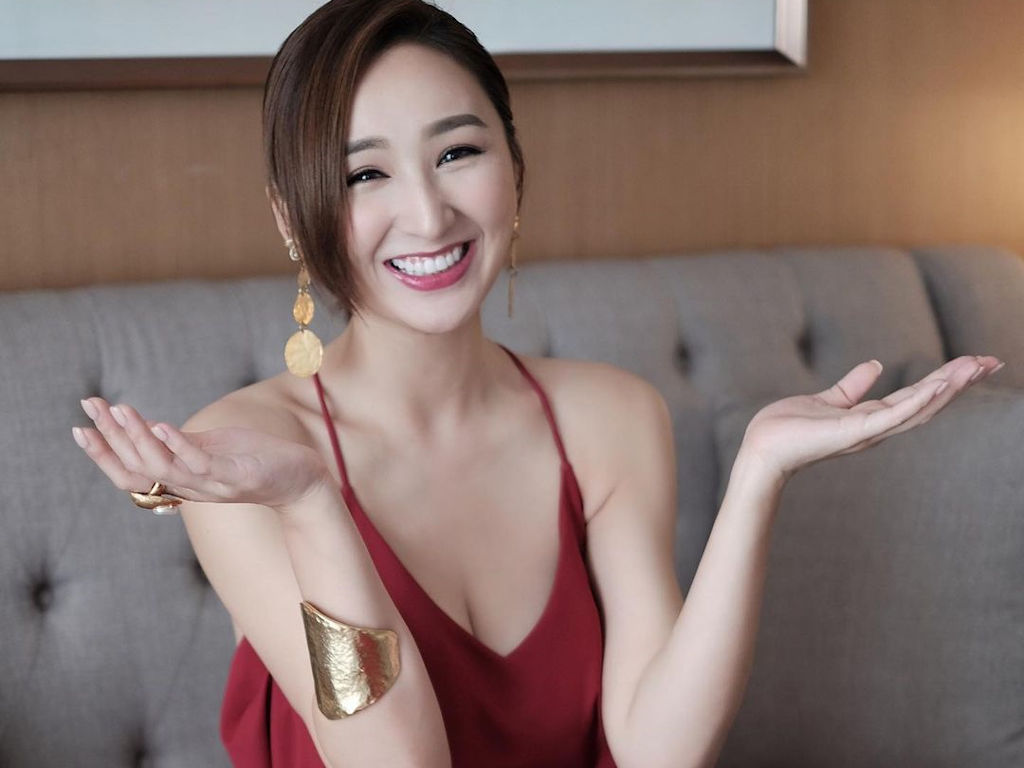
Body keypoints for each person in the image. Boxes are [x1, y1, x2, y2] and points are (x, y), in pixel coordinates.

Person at [69, 1, 1006, 766]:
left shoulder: (610, 417)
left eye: (457, 153)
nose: (427, 213)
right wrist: (312, 502)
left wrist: (757, 476)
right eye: (364, 174)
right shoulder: (240, 458)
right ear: (292, 218)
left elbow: (659, 749)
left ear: (514, 170)